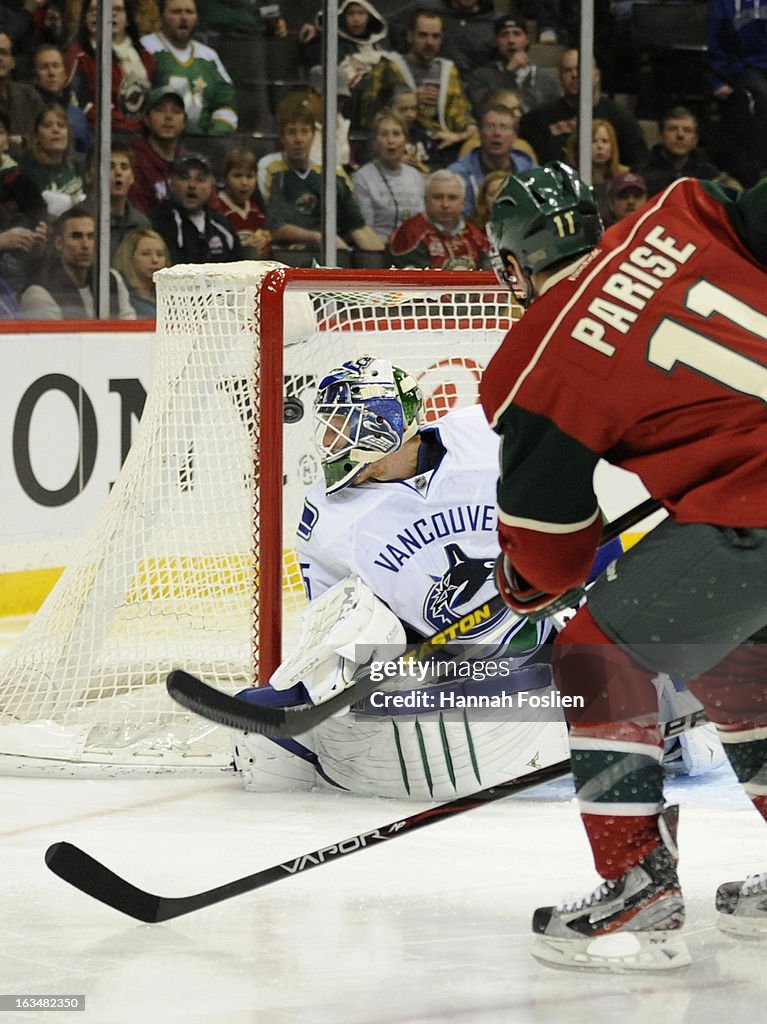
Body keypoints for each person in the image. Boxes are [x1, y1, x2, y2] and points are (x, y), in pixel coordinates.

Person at [480, 161, 767, 970]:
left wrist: (524, 581)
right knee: (735, 664)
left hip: (754, 513)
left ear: (511, 262)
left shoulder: (535, 358)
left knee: (593, 653)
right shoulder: (680, 217)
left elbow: (549, 542)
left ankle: (635, 879)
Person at [232, 354, 569, 799]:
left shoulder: (486, 436)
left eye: (342, 424)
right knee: (265, 711)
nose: (329, 438)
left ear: (383, 425)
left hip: (543, 641)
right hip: (435, 669)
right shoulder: (328, 517)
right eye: (328, 424)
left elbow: (569, 492)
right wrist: (336, 675)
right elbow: (334, 619)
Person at [357, 8, 478, 164]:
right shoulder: (389, 67)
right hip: (402, 143)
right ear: (410, 36)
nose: (429, 42)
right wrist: (408, 101)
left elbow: (462, 115)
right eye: (423, 35)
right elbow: (368, 115)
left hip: (444, 144)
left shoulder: (449, 71)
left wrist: (462, 134)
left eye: (435, 36)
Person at [263, 106, 384, 257]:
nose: (298, 139)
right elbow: (276, 228)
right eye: (292, 132)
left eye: (305, 132)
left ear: (314, 135)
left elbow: (357, 226)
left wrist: (384, 260)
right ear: (282, 137)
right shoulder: (274, 173)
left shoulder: (331, 176)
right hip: (290, 258)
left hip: (331, 255)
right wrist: (318, 237)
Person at [519, 47, 649, 168]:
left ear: (597, 76)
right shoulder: (539, 119)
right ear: (560, 77)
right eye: (567, 70)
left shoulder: (620, 118)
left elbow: (639, 164)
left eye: (581, 69)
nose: (574, 75)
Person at [20, 205, 134, 319]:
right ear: (59, 243)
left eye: (91, 236)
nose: (85, 245)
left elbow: (131, 328)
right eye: (76, 236)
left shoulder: (111, 280)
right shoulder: (39, 292)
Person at [141, 0, 238, 134]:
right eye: (176, 12)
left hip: (201, 143)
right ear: (161, 16)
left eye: (189, 12)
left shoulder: (208, 56)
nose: (183, 18)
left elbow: (225, 102)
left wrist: (214, 136)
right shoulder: (147, 48)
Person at [66, 0, 156, 134]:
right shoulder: (78, 57)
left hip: (143, 137)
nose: (110, 14)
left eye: (117, 9)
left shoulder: (147, 59)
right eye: (93, 10)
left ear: (128, 19)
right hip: (97, 136)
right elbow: (77, 107)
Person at [149, 150, 244, 263]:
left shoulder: (221, 224)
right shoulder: (156, 223)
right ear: (171, 182)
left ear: (211, 185)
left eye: (200, 179)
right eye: (184, 178)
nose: (192, 185)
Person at [448, 101, 535, 219]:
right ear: (480, 133)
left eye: (504, 127)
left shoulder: (528, 169)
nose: (497, 133)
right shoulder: (458, 175)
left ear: (515, 136)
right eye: (490, 126)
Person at [388, 167, 490, 268]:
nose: (445, 204)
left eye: (452, 198)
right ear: (425, 200)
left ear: (462, 203)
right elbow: (415, 280)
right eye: (438, 197)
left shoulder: (474, 234)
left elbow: (491, 272)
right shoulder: (411, 233)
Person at [351, 109, 426, 243]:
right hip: (381, 250)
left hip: (415, 250)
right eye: (384, 134)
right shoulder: (362, 177)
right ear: (375, 142)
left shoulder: (415, 176)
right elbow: (365, 229)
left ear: (405, 140)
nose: (390, 140)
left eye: (396, 134)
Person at [466, 14, 560, 117]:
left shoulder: (546, 79)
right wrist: (508, 74)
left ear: (527, 39)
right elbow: (482, 111)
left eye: (517, 34)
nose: (511, 41)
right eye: (504, 35)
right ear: (496, 41)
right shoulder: (481, 77)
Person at [633, 105, 723, 198]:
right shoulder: (641, 173)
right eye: (673, 129)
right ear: (661, 137)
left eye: (687, 130)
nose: (680, 135)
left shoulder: (709, 175)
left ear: (695, 140)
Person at [84, 140, 151, 260]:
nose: (118, 173)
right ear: (89, 175)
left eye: (124, 167)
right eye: (110, 167)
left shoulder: (142, 223)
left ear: (132, 177)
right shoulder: (77, 220)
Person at [17, 104, 86, 218]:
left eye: (61, 125)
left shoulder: (77, 165)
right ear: (36, 136)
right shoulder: (25, 169)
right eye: (47, 125)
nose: (55, 130)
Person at [128, 85, 187, 213]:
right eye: (160, 110)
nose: (168, 117)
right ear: (147, 119)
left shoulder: (189, 163)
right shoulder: (134, 162)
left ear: (184, 123)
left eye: (176, 111)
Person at [565, 118, 628, 226]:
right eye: (593, 141)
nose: (599, 147)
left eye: (605, 141)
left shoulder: (624, 177)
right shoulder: (572, 180)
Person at [208, 147, 270, 258]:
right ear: (225, 178)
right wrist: (242, 248)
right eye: (237, 176)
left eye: (249, 176)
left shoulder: (257, 211)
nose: (244, 182)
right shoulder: (216, 209)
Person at [33, 44, 92, 155]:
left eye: (56, 66)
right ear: (35, 76)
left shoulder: (77, 115)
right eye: (44, 67)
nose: (51, 73)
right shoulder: (27, 109)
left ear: (65, 74)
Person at [0, 32, 45, 151]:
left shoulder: (29, 95)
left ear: (13, 62)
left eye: (4, 53)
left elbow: (43, 137)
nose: (0, 58)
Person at [111, 226, 169, 317]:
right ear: (129, 257)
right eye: (146, 254)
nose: (155, 260)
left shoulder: (171, 295)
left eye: (160, 254)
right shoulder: (120, 293)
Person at [471, 167, 507, 231]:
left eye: (502, 192)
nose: (498, 198)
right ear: (484, 200)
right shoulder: (474, 232)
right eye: (492, 194)